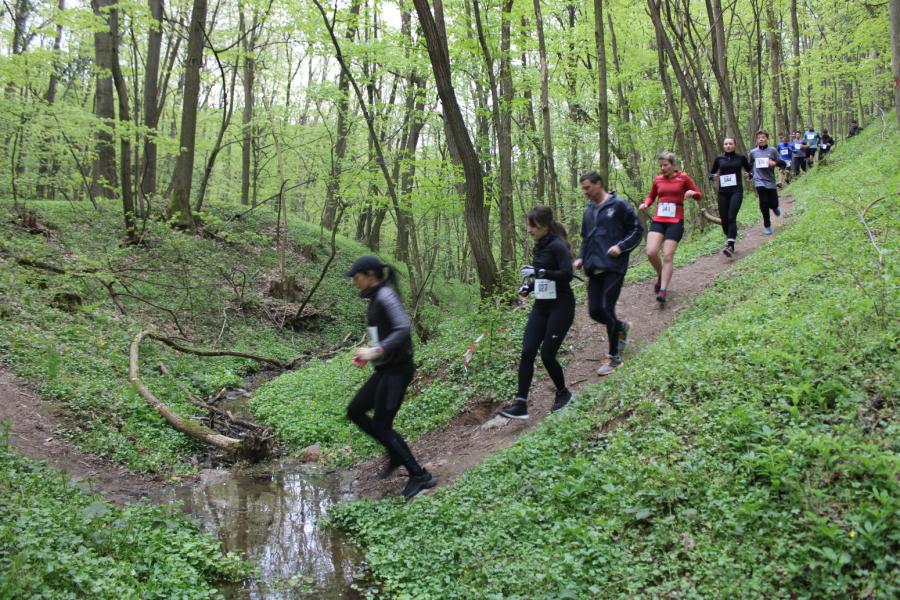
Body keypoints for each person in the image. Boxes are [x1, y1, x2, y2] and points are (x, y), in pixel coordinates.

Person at [344, 256, 436, 499]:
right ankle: (395, 452)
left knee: (383, 425)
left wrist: (376, 351)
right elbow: (382, 335)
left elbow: (403, 329)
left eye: (357, 277)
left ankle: (420, 476)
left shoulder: (385, 295)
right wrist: (370, 356)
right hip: (384, 369)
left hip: (398, 371)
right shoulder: (376, 297)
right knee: (355, 410)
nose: (355, 282)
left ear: (371, 274)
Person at [500, 206, 576, 419]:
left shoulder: (557, 246)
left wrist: (538, 272)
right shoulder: (539, 246)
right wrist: (530, 287)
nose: (528, 230)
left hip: (561, 306)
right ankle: (521, 404)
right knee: (527, 351)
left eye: (532, 226)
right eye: (528, 225)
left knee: (547, 355)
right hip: (541, 306)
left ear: (544, 226)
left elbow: (566, 275)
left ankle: (563, 393)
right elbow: (543, 278)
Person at [574, 172, 643, 377]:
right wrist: (581, 257)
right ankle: (621, 327)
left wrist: (621, 247)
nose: (585, 192)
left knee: (607, 307)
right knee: (595, 311)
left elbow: (637, 230)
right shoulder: (588, 212)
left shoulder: (619, 205)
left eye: (587, 188)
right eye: (583, 189)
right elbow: (586, 239)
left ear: (599, 183)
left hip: (614, 266)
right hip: (594, 268)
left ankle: (614, 357)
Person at [638, 152, 702, 304]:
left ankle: (663, 290)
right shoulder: (658, 180)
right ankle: (661, 274)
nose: (662, 168)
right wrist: (646, 204)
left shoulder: (684, 178)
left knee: (667, 255)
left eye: (665, 165)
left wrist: (693, 194)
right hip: (659, 219)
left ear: (673, 165)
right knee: (651, 252)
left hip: (675, 220)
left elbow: (699, 195)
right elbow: (651, 196)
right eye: (660, 165)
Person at [708, 137, 752, 257]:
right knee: (724, 219)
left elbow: (750, 170)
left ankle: (731, 245)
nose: (728, 146)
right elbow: (710, 173)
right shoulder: (719, 158)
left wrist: (749, 174)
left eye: (730, 144)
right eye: (726, 144)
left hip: (736, 191)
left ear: (735, 145)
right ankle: (730, 237)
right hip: (723, 193)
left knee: (731, 217)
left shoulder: (740, 158)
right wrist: (713, 176)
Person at [748, 130, 786, 235]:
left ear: (767, 139)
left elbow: (783, 163)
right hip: (759, 181)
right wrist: (750, 174)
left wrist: (773, 162)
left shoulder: (773, 150)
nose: (761, 139)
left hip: (770, 181)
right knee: (764, 204)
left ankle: (774, 207)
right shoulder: (753, 152)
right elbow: (749, 165)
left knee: (773, 203)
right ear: (757, 140)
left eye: (763, 137)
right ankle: (767, 226)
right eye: (759, 137)